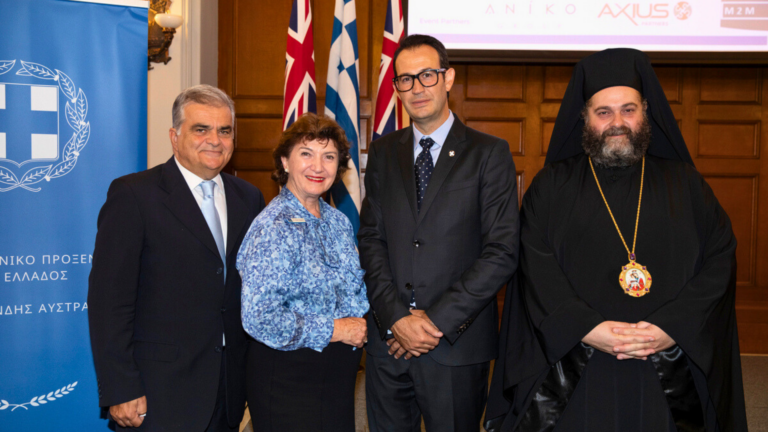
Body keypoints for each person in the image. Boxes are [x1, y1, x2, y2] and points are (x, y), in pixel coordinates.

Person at [484, 48, 747, 432]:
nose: (617, 123)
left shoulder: (686, 184)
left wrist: (668, 327)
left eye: (628, 109)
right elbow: (535, 268)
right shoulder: (552, 187)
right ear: (585, 119)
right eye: (603, 112)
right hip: (576, 360)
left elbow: (720, 259)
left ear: (646, 111)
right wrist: (588, 327)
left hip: (668, 359)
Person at [359, 34, 519, 431]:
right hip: (389, 343)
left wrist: (432, 323)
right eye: (405, 79)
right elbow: (371, 240)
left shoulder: (489, 153)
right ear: (396, 89)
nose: (417, 88)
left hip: (454, 346)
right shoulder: (382, 153)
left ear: (448, 78)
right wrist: (397, 318)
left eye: (427, 75)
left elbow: (501, 251)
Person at [88, 85, 265, 431]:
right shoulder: (133, 195)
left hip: (229, 390)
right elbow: (109, 302)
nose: (215, 140)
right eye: (201, 129)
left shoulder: (249, 197)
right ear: (175, 135)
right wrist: (120, 387)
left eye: (224, 130)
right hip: (158, 392)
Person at [236, 113, 369, 432]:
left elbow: (353, 291)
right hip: (288, 380)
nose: (318, 166)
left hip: (336, 379)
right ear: (285, 161)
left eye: (329, 156)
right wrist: (336, 330)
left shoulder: (338, 223)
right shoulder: (272, 227)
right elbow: (259, 317)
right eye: (306, 154)